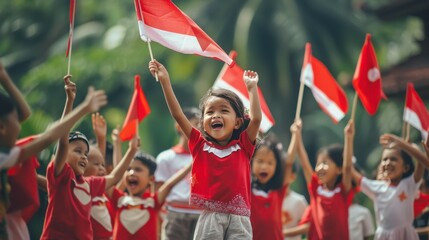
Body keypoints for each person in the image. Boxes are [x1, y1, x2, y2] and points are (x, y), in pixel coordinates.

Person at [149, 59, 262, 239]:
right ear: (203, 123)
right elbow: (178, 115)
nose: (216, 115)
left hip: (240, 218)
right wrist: (165, 81)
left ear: (238, 122)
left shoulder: (243, 145)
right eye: (210, 112)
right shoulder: (199, 145)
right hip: (211, 217)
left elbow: (255, 119)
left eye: (224, 110)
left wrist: (252, 89)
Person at [0, 63, 107, 239]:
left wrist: (4, 77)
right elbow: (54, 139)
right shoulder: (61, 175)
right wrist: (82, 107)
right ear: (2, 127)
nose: (19, 128)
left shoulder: (6, 155)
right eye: (14, 122)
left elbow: (25, 113)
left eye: (85, 154)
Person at [40, 75, 140, 240]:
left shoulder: (90, 184)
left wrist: (131, 150)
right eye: (78, 151)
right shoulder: (61, 177)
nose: (83, 157)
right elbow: (63, 141)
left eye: (85, 154)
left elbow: (115, 177)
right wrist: (70, 101)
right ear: (62, 156)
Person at [351, 128, 429, 240]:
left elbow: (421, 162)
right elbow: (351, 170)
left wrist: (404, 145)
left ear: (406, 168)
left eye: (393, 159)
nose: (387, 163)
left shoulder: (409, 185)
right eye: (384, 159)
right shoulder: (376, 187)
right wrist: (349, 139)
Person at [109, 152, 192, 239]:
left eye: (138, 169)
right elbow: (113, 177)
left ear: (151, 179)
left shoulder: (153, 202)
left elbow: (169, 185)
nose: (131, 173)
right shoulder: (118, 199)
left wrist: (190, 165)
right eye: (128, 169)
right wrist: (130, 149)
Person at [295, 119, 354, 240]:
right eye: (318, 164)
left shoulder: (342, 191)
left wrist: (348, 138)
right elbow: (305, 164)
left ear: (338, 169)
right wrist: (297, 135)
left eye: (325, 163)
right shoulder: (316, 190)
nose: (320, 167)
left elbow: (347, 167)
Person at [155, 107, 202, 240]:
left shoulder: (208, 157)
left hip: (201, 215)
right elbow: (157, 194)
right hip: (175, 214)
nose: (198, 129)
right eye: (195, 123)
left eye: (201, 125)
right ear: (179, 126)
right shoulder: (166, 158)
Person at [250, 122, 299, 240]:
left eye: (270, 163)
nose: (264, 167)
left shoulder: (279, 189)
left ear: (277, 166)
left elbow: (288, 163)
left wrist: (295, 135)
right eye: (260, 161)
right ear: (251, 163)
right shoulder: (247, 188)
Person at [281, 157, 308, 240]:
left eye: (283, 172)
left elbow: (308, 226)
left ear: (292, 176)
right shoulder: (266, 199)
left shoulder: (299, 201)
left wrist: (282, 233)